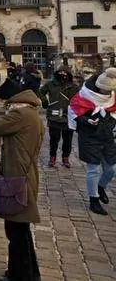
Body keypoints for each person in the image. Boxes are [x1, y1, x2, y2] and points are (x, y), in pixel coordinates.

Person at [0, 78, 44, 281]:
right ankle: (24, 272)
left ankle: (22, 275)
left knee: (17, 231)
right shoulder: (29, 112)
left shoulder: (21, 114)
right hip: (22, 173)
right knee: (18, 230)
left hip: (19, 177)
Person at [68, 68, 116, 215]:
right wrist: (86, 120)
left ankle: (101, 187)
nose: (107, 94)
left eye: (110, 92)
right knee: (93, 169)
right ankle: (93, 200)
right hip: (89, 138)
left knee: (111, 169)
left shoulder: (112, 97)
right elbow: (73, 112)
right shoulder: (83, 96)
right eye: (105, 91)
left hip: (107, 137)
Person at [38, 65, 79, 168]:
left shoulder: (74, 87)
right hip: (54, 115)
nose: (62, 75)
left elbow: (79, 99)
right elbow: (40, 92)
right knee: (54, 139)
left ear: (68, 75)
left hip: (68, 116)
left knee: (67, 139)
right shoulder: (50, 84)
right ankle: (53, 157)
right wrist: (44, 101)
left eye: (65, 73)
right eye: (60, 73)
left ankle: (66, 158)